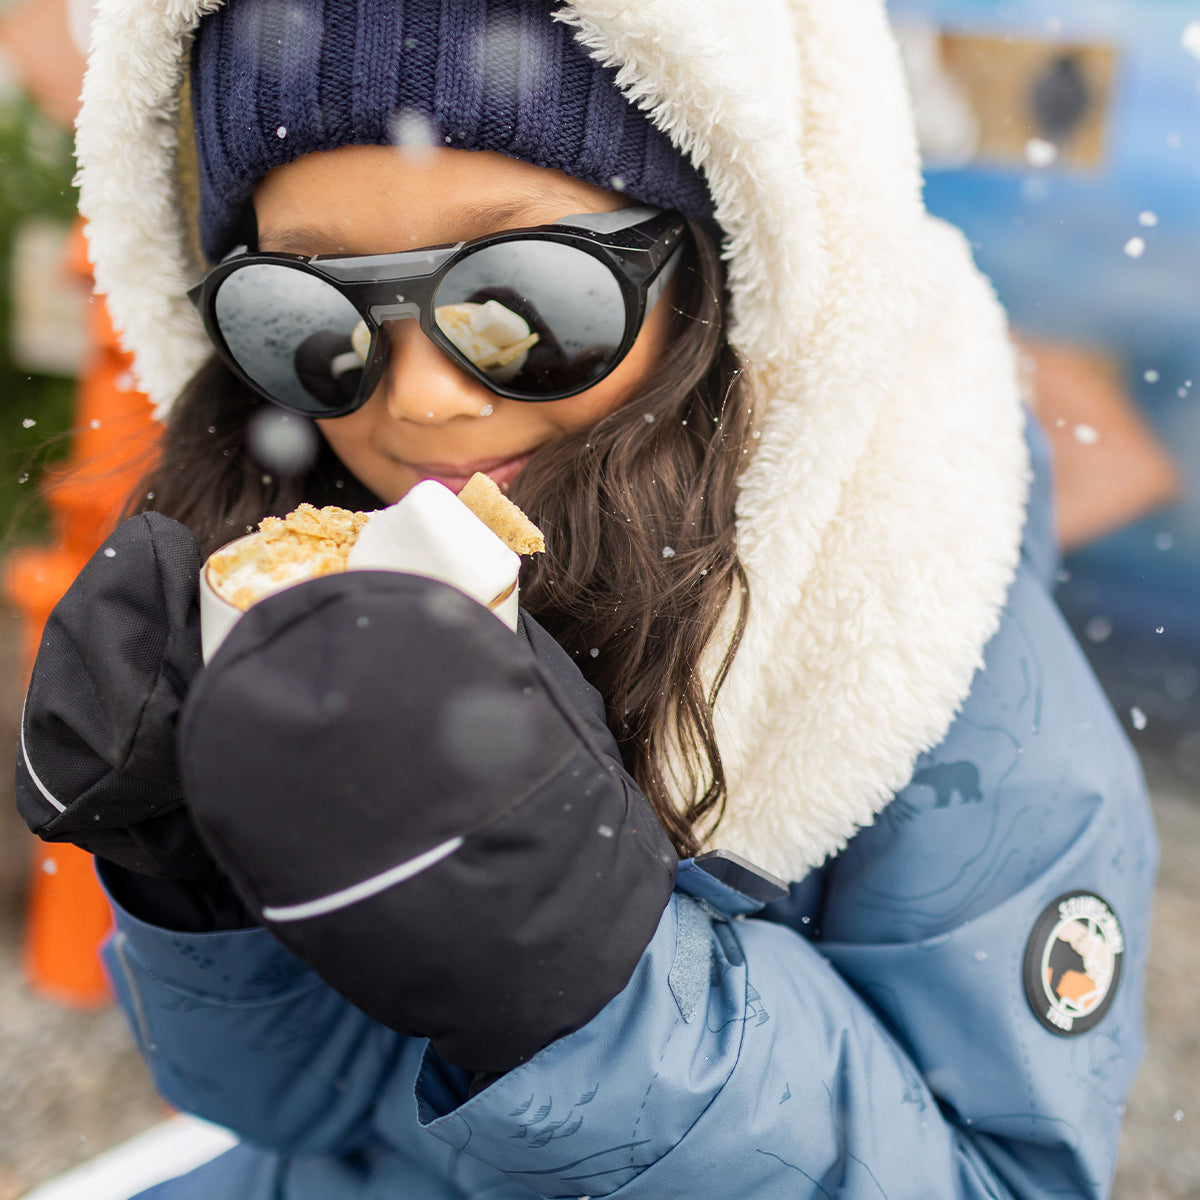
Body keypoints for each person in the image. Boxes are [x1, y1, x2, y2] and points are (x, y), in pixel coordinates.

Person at [14, 0, 1157, 1196]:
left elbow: (1004, 1179)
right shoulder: (303, 541)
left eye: (524, 300)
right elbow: (294, 1107)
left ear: (727, 258)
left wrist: (587, 985)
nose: (423, 400)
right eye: (309, 317)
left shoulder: (933, 660)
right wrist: (196, 888)